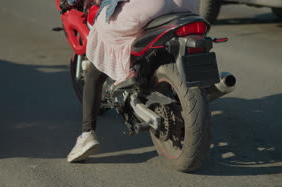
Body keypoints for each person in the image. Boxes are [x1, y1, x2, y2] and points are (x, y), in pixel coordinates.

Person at [67, 0, 199, 163]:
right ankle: (142, 69)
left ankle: (87, 135)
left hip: (151, 6)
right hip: (188, 5)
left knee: (101, 35)